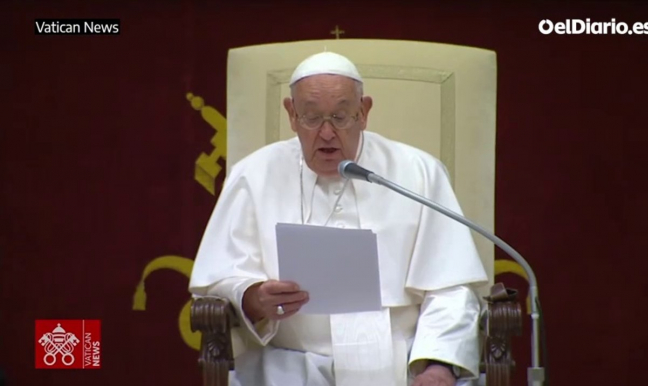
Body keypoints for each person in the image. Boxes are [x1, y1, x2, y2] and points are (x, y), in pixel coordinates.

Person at [188, 51, 489, 386]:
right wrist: (253, 297)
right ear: (291, 114)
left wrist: (437, 364)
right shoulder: (253, 175)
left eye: (341, 117)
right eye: (312, 118)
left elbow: (451, 286)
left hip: (404, 367)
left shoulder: (418, 172)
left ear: (364, 112)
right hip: (286, 367)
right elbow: (219, 278)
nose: (327, 133)